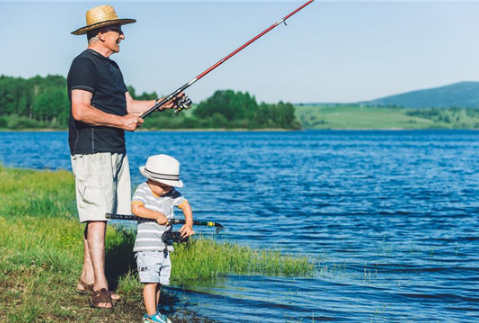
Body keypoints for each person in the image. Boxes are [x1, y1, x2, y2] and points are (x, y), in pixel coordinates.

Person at [68, 5, 184, 310]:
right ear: (100, 33)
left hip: (115, 148)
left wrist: (164, 103)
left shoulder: (113, 67)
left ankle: (86, 278)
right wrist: (121, 122)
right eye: (117, 30)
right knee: (97, 217)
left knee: (102, 214)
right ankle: (100, 287)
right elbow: (79, 110)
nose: (122, 35)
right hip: (92, 149)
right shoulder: (83, 64)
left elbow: (129, 105)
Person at [131, 154, 194, 323]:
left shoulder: (170, 192)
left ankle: (154, 313)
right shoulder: (143, 189)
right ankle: (151, 316)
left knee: (158, 281)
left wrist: (188, 224)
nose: (167, 189)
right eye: (163, 186)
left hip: (164, 247)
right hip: (147, 246)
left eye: (169, 186)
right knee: (150, 281)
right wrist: (155, 215)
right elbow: (136, 208)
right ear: (150, 179)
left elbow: (185, 204)